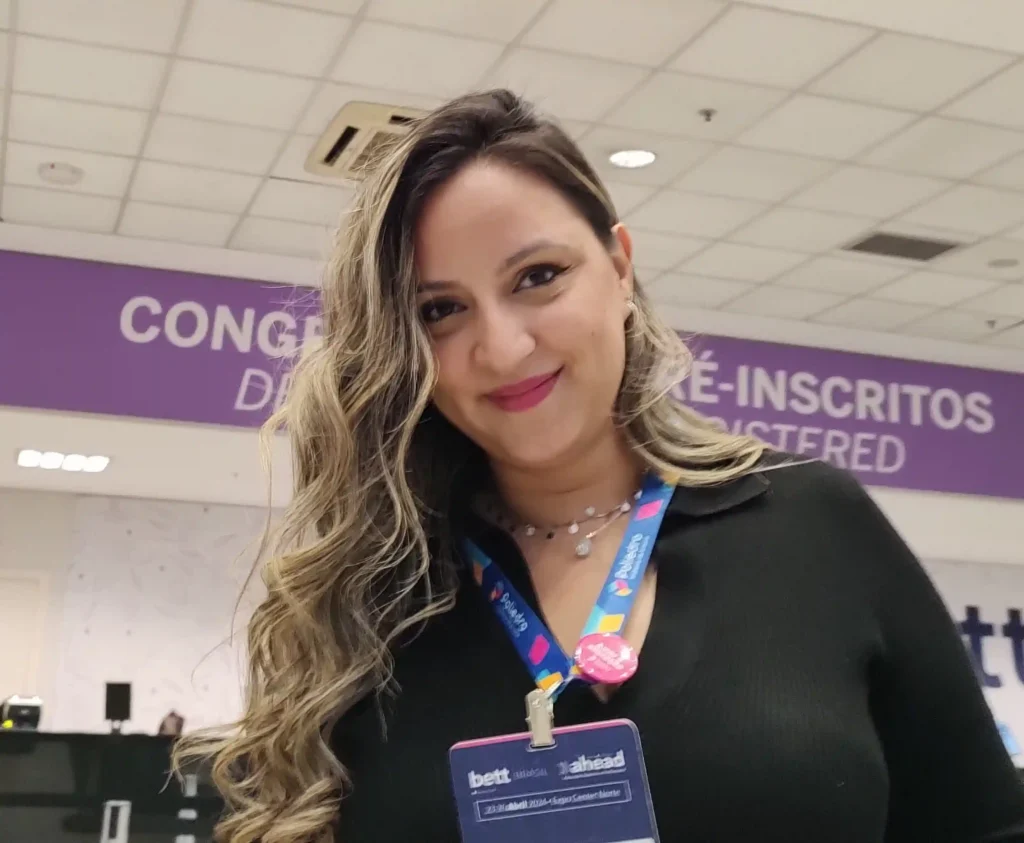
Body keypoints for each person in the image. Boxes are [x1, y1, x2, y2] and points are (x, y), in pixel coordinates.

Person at [176, 90, 1024, 842]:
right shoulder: (376, 602)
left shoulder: (809, 524)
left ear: (620, 267)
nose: (502, 347)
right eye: (439, 310)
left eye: (538, 276)